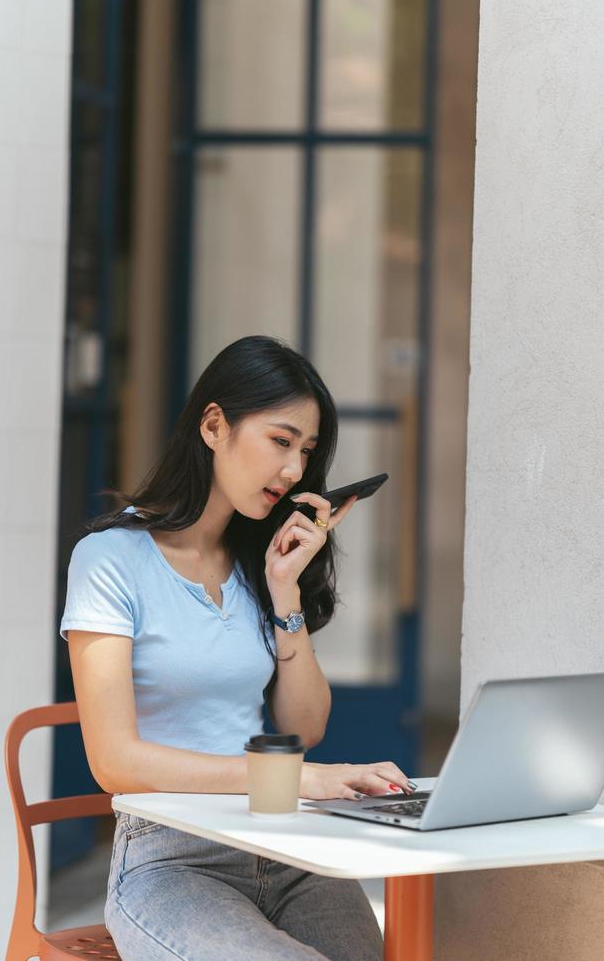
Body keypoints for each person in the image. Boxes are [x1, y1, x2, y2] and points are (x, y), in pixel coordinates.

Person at [60, 335, 414, 960]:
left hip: (284, 849)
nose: (295, 471)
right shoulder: (110, 560)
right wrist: (301, 779)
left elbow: (304, 728)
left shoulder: (259, 563)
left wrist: (285, 596)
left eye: (306, 452)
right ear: (214, 424)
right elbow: (113, 761)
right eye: (281, 441)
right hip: (170, 861)